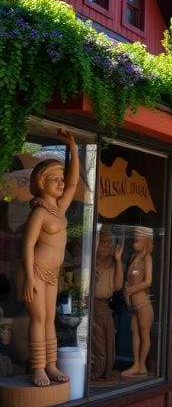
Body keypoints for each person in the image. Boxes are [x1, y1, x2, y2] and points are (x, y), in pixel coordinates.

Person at [20, 128, 79, 387]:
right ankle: (37, 368)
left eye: (61, 178)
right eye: (55, 179)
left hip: (52, 272)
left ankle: (51, 364)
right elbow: (28, 245)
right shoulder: (39, 214)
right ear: (42, 183)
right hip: (35, 270)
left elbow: (75, 182)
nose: (62, 183)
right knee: (39, 318)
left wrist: (74, 149)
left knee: (50, 318)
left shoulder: (58, 209)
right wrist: (29, 278)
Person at [90, 226, 123, 384]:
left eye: (109, 244)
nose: (107, 247)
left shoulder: (111, 263)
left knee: (109, 341)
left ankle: (105, 371)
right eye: (103, 243)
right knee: (98, 342)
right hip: (94, 305)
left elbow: (117, 286)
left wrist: (118, 261)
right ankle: (98, 371)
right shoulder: (90, 262)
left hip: (105, 306)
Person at [124, 226, 154, 377]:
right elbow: (128, 279)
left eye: (137, 240)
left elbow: (148, 281)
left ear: (145, 242)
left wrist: (132, 290)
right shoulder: (133, 257)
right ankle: (136, 363)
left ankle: (142, 364)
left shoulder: (147, 258)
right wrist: (127, 291)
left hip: (143, 303)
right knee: (134, 332)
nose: (134, 244)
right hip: (133, 303)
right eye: (133, 240)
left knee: (144, 333)